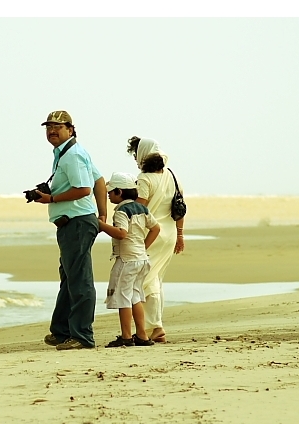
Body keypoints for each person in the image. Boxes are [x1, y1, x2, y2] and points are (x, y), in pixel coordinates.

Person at [29, 111, 108, 350]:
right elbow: (99, 180)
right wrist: (102, 215)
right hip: (75, 221)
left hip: (76, 222)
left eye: (57, 127)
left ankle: (82, 336)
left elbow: (84, 189)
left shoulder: (72, 155)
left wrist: (51, 198)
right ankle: (62, 331)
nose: (52, 130)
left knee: (79, 279)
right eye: (48, 127)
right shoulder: (69, 152)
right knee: (70, 277)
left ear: (70, 129)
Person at [127, 136, 186, 343]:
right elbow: (180, 207)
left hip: (151, 234)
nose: (135, 158)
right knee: (156, 279)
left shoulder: (144, 179)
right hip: (168, 235)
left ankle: (156, 327)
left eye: (136, 154)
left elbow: (139, 209)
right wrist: (180, 234)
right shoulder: (172, 175)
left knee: (144, 280)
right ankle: (155, 326)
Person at [97, 172, 161, 347]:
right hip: (141, 259)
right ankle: (142, 335)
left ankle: (126, 336)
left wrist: (100, 225)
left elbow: (122, 233)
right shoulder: (142, 208)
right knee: (135, 296)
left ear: (119, 192)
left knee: (122, 297)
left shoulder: (121, 212)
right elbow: (156, 228)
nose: (109, 195)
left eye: (111, 192)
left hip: (126, 260)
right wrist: (143, 247)